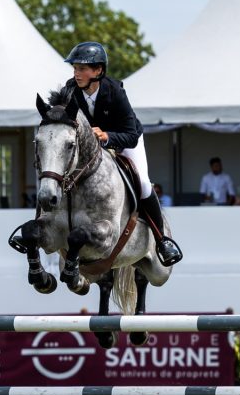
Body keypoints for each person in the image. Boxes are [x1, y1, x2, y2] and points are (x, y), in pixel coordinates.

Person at [61, 41, 182, 266]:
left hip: (124, 140)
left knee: (144, 184)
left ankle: (162, 240)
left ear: (98, 71)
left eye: (82, 69)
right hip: (92, 148)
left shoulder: (115, 92)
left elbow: (130, 134)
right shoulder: (70, 90)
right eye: (75, 68)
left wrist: (106, 136)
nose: (76, 74)